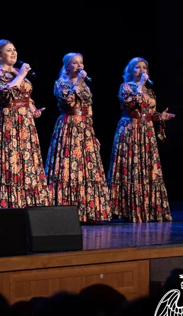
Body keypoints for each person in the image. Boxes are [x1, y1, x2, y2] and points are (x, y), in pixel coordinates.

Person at [0, 39, 50, 209]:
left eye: (14, 49)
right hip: (6, 121)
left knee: (25, 161)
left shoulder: (16, 71)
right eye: (8, 50)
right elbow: (3, 91)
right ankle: (3, 203)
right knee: (8, 160)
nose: (13, 53)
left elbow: (25, 95)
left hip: (25, 123)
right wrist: (22, 75)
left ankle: (26, 202)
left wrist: (33, 109)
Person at [45, 53, 110, 222]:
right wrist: (79, 83)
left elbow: (88, 109)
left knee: (86, 167)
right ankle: (66, 210)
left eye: (81, 62)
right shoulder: (60, 84)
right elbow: (68, 101)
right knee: (68, 166)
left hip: (84, 128)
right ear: (67, 66)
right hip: (68, 126)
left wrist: (92, 133)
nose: (79, 66)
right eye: (74, 63)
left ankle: (89, 211)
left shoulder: (85, 87)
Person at [107, 57, 175, 222]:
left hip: (146, 132)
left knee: (147, 168)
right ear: (130, 70)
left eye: (144, 67)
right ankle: (129, 209)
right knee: (132, 167)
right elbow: (130, 103)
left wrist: (160, 117)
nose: (142, 70)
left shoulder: (150, 92)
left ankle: (150, 209)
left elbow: (150, 113)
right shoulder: (125, 87)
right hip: (131, 129)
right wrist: (140, 86)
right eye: (138, 67)